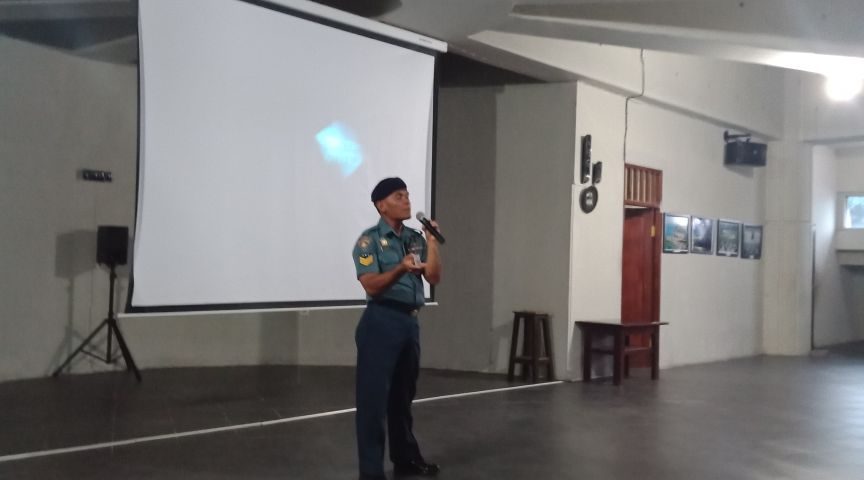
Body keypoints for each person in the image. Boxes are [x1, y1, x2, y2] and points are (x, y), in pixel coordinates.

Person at [352, 177, 442, 480]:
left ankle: (406, 458)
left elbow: (434, 277)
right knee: (373, 403)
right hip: (381, 321)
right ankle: (371, 471)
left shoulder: (416, 238)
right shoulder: (369, 242)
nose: (407, 200)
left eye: (407, 195)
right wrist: (400, 268)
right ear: (381, 205)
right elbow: (371, 284)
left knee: (402, 398)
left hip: (409, 323)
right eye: (398, 196)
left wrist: (432, 242)